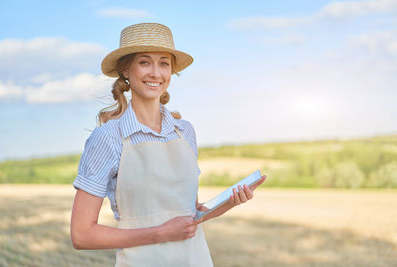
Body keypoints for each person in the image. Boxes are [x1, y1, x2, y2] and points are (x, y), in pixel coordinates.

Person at [70, 22, 265, 266]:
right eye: (144, 62)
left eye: (164, 63)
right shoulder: (108, 137)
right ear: (126, 71)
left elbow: (189, 215)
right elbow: (81, 234)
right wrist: (160, 233)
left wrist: (228, 203)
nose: (156, 72)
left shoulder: (185, 132)